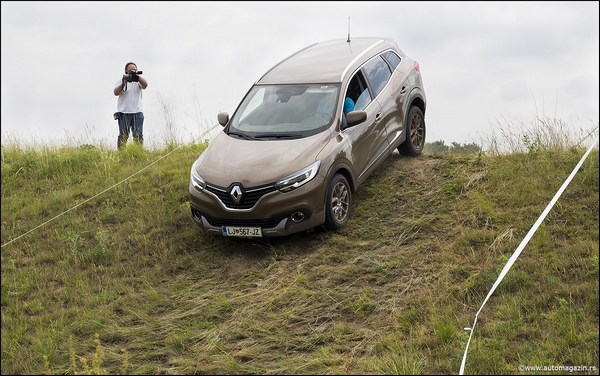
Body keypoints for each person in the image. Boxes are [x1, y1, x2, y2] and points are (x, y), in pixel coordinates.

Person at [113, 62, 148, 149]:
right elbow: (116, 92)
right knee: (123, 135)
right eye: (130, 70)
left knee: (138, 135)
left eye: (134, 69)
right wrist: (124, 82)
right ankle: (121, 154)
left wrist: (137, 76)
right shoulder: (121, 81)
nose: (132, 71)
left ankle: (138, 153)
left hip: (137, 112)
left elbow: (145, 85)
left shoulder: (138, 81)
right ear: (126, 71)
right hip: (124, 112)